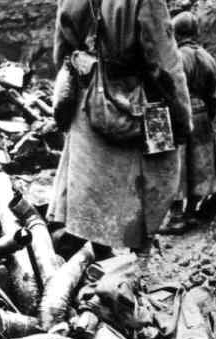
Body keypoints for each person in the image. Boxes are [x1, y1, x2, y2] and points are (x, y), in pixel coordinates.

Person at [48, 0, 192, 255]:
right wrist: (181, 117)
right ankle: (140, 258)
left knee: (90, 189)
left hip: (88, 98)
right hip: (146, 99)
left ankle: (94, 258)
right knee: (159, 175)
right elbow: (163, 60)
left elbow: (61, 53)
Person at [160, 11, 216, 235]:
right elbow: (214, 94)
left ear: (176, 32)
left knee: (177, 165)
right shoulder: (208, 58)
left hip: (181, 114)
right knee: (200, 165)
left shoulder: (175, 57)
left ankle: (176, 217)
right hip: (203, 113)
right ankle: (191, 213)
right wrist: (209, 115)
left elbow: (171, 91)